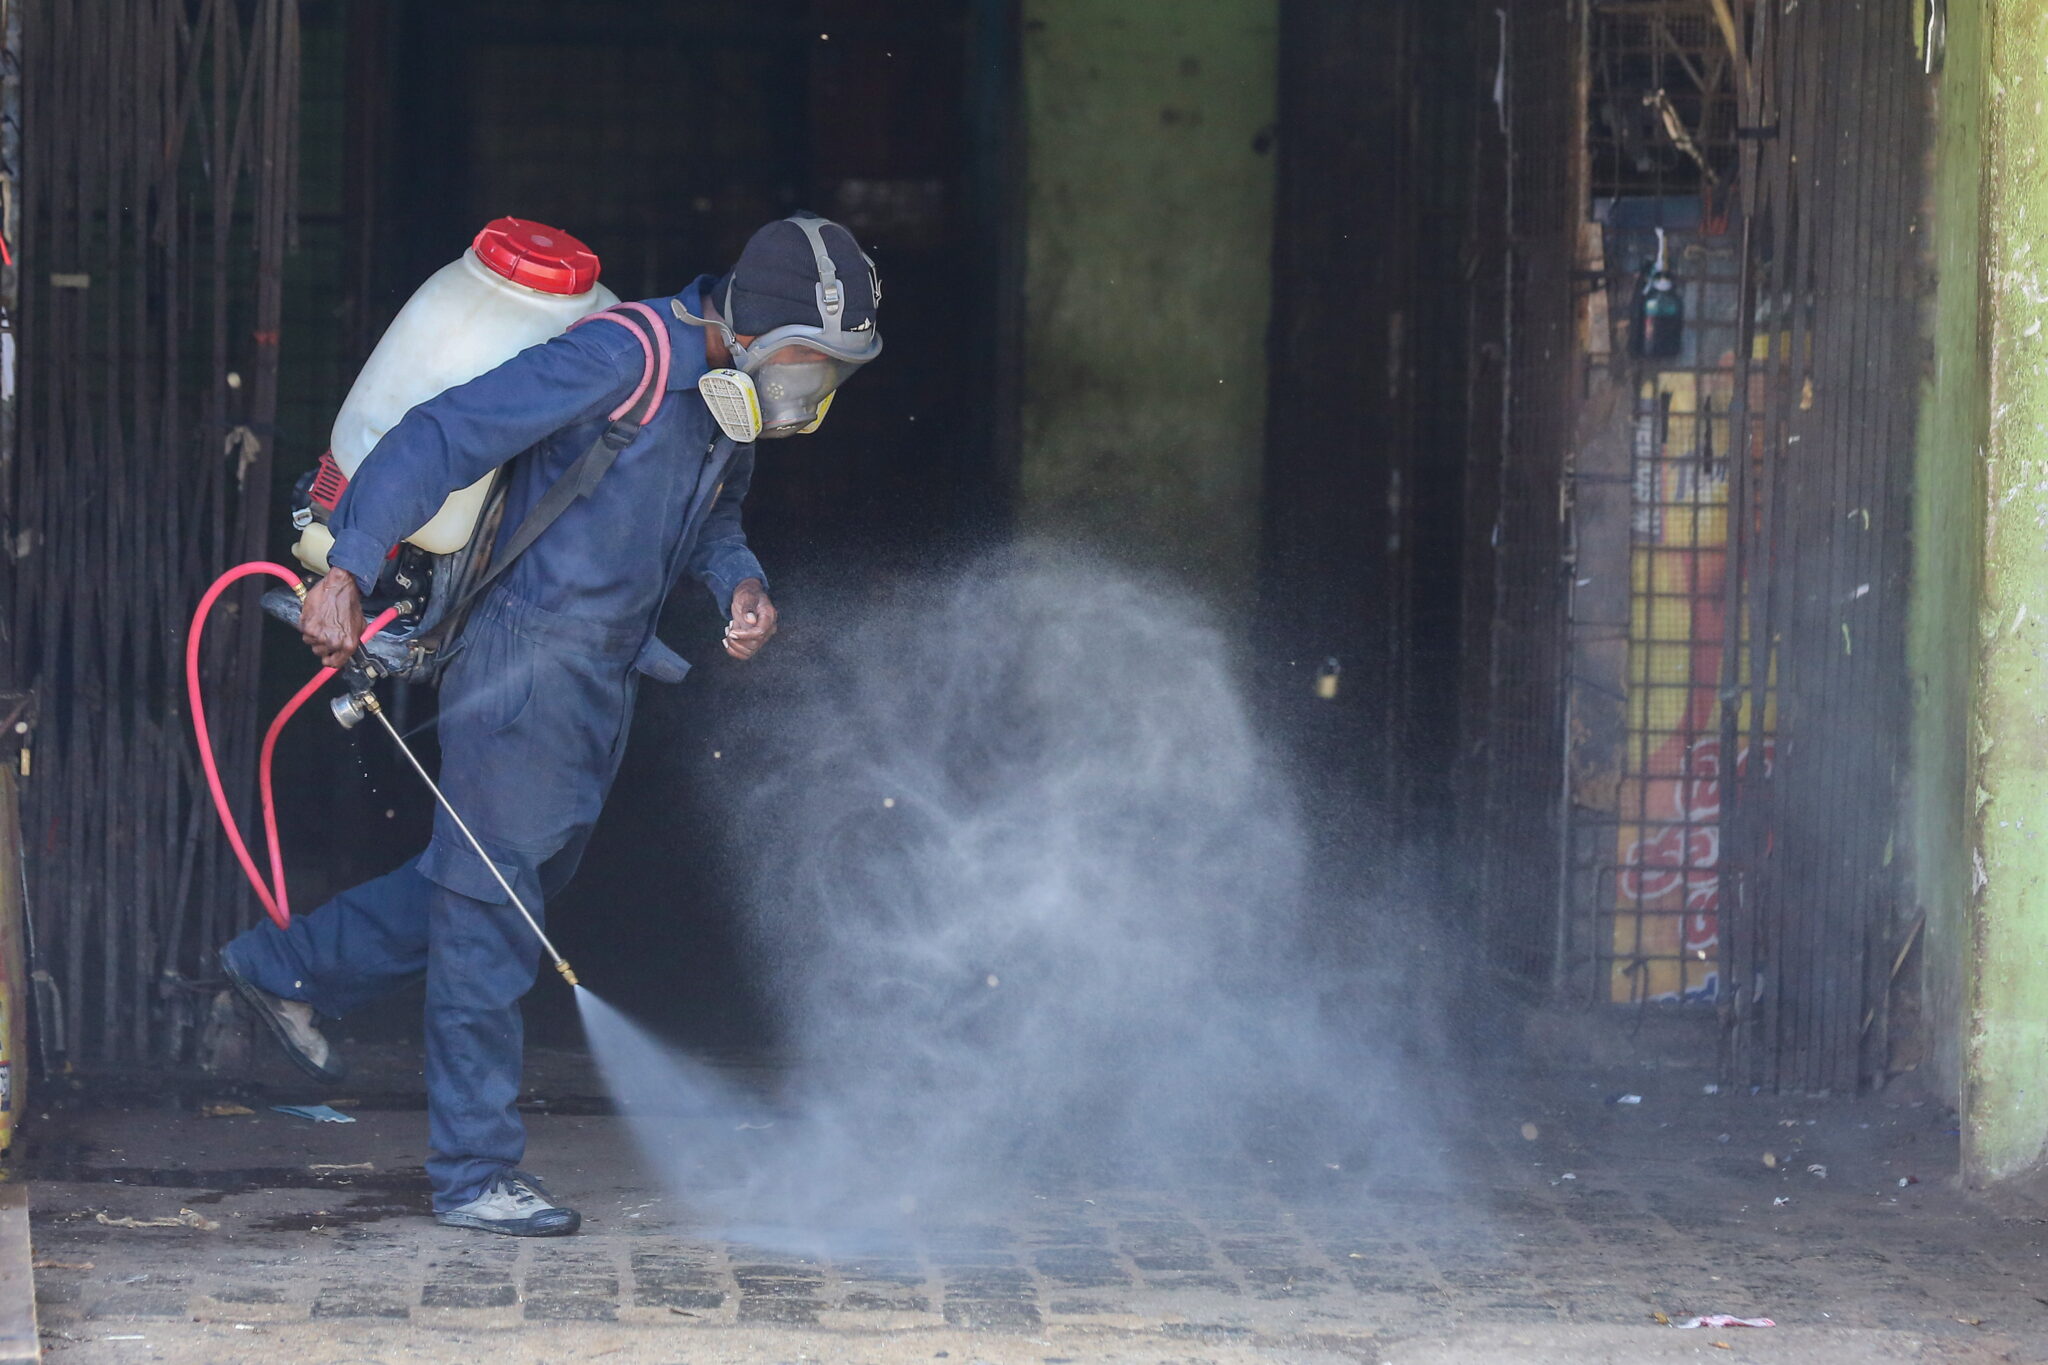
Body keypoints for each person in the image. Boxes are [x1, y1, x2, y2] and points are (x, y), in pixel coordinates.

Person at [217, 213, 883, 1236]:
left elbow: (711, 509)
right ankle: (473, 1171)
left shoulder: (726, 404)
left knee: (499, 882)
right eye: (807, 362)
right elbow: (441, 434)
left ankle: (280, 970)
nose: (810, 391)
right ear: (748, 326)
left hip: (603, 676)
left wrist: (736, 581)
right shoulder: (619, 357)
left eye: (832, 374)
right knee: (493, 917)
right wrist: (348, 566)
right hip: (524, 666)